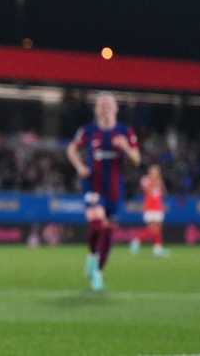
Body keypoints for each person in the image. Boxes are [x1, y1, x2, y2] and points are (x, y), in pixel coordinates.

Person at [65, 93, 139, 292]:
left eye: (109, 104)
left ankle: (98, 271)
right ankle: (91, 255)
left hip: (114, 189)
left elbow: (136, 159)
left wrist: (124, 147)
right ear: (96, 109)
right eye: (101, 104)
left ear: (115, 108)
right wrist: (80, 167)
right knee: (97, 224)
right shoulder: (88, 131)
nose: (105, 107)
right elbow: (71, 149)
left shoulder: (125, 131)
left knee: (108, 230)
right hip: (92, 186)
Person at [129, 164, 167, 257]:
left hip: (158, 208)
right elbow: (147, 190)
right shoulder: (145, 180)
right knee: (151, 229)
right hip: (150, 208)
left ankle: (157, 248)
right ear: (150, 172)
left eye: (157, 171)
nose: (155, 173)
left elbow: (162, 193)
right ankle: (137, 240)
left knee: (158, 229)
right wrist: (154, 182)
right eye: (154, 171)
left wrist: (162, 205)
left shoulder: (159, 181)